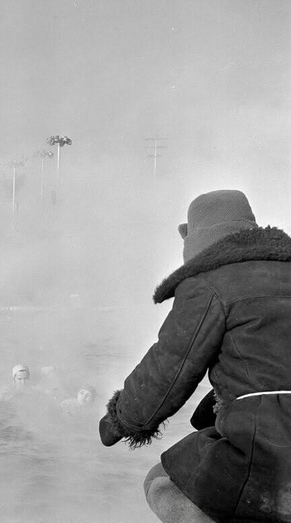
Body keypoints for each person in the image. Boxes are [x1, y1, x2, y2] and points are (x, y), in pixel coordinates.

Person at [99, 190, 291, 522]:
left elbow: (168, 369)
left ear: (196, 241)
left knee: (160, 481)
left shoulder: (210, 284)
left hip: (270, 445)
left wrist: (120, 420)